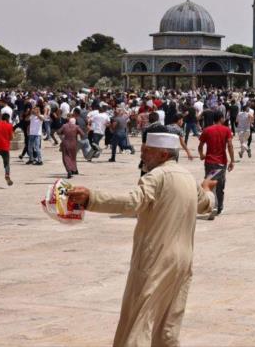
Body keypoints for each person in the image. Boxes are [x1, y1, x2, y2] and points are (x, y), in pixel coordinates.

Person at [67, 133, 217, 347]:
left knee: (138, 321)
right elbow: (206, 203)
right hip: (182, 261)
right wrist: (207, 189)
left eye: (147, 150)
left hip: (155, 259)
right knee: (169, 323)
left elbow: (132, 201)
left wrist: (92, 198)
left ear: (163, 153)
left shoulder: (156, 176)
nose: (142, 154)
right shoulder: (187, 177)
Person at [198, 113, 235, 219]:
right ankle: (218, 207)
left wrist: (201, 155)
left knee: (209, 184)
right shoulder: (226, 130)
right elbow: (230, 145)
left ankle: (211, 205)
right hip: (221, 163)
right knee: (220, 186)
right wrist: (232, 160)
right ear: (221, 119)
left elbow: (200, 146)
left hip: (209, 162)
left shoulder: (207, 130)